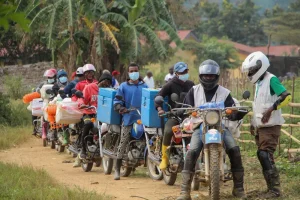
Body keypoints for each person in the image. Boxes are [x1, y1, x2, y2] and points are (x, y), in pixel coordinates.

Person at [177, 60, 246, 200]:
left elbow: (231, 109)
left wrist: (235, 113)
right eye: (206, 75)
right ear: (201, 76)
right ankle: (185, 191)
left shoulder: (225, 93)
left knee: (234, 149)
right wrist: (184, 111)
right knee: (192, 151)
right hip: (199, 126)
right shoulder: (193, 91)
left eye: (211, 76)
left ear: (216, 76)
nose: (208, 78)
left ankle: (239, 188)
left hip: (221, 127)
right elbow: (185, 107)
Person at [242, 51, 291, 198]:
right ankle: (270, 188)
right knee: (262, 154)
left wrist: (271, 109)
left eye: (252, 70)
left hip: (271, 126)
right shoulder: (259, 83)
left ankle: (275, 190)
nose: (250, 73)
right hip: (262, 126)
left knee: (265, 154)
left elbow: (286, 97)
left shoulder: (271, 80)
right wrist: (253, 123)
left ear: (260, 67)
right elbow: (259, 105)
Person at [155, 62, 194, 170]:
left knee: (199, 132)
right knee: (168, 131)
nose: (184, 73)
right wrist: (160, 109)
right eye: (182, 72)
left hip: (189, 116)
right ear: (176, 73)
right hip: (175, 116)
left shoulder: (191, 84)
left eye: (186, 71)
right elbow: (158, 97)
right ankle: (165, 158)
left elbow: (198, 97)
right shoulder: (170, 84)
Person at [113, 63, 148, 180]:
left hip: (142, 118)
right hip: (128, 118)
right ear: (128, 73)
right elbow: (116, 102)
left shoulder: (145, 86)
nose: (134, 73)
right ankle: (117, 169)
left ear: (139, 71)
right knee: (123, 141)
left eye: (136, 70)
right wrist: (120, 108)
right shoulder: (123, 86)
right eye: (131, 71)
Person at [78, 73, 113, 159]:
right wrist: (82, 104)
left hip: (102, 114)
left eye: (109, 83)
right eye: (105, 81)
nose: (106, 84)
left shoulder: (108, 91)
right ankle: (83, 149)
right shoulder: (89, 87)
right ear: (100, 81)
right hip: (89, 113)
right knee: (88, 124)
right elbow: (82, 99)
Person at [32, 68, 57, 136]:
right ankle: (34, 128)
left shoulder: (57, 84)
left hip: (55, 102)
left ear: (55, 77)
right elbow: (37, 89)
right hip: (45, 101)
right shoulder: (43, 84)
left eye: (51, 77)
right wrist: (36, 91)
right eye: (48, 77)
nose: (49, 78)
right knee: (34, 111)